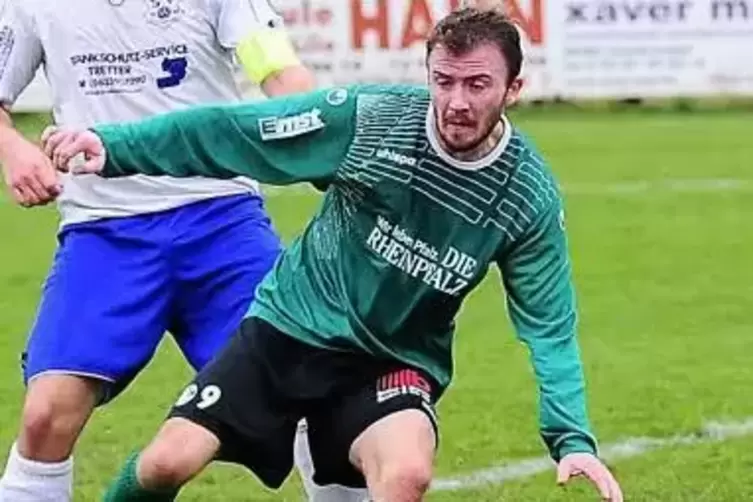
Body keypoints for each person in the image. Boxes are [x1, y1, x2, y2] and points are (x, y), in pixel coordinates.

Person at [42, 8, 623, 502]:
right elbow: (237, 132)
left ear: (513, 89)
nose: (456, 102)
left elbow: (549, 326)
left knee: (407, 475)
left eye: (477, 85)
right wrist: (114, 148)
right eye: (443, 81)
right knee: (167, 463)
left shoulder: (526, 197)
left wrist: (571, 438)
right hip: (287, 329)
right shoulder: (371, 119)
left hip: (390, 360)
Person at [0, 0, 364, 501]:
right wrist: (12, 147)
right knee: (46, 414)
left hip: (220, 220)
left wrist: (329, 137)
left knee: (312, 393)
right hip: (104, 233)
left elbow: (278, 69)